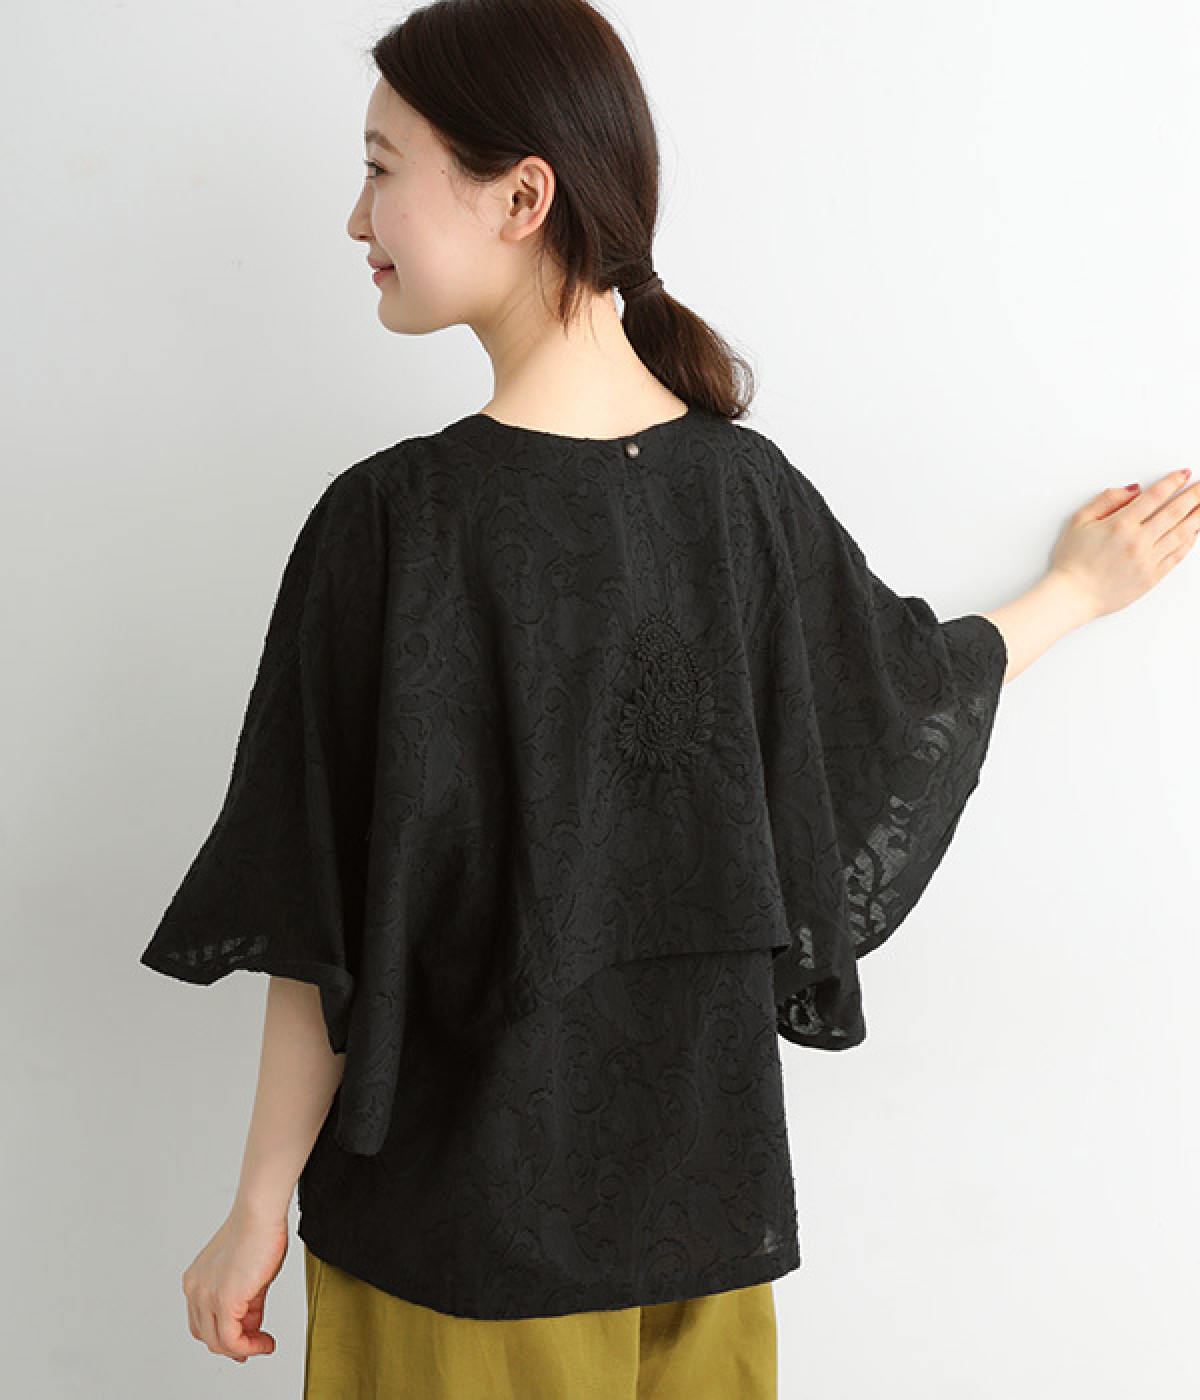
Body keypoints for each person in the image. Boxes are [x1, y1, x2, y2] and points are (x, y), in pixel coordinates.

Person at [140, 1, 1200, 1396]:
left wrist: (257, 1203)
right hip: (703, 1229)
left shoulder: (396, 522)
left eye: (382, 168)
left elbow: (319, 918)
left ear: (522, 196)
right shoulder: (740, 501)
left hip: (458, 1255)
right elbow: (899, 710)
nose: (356, 217)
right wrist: (1069, 595)